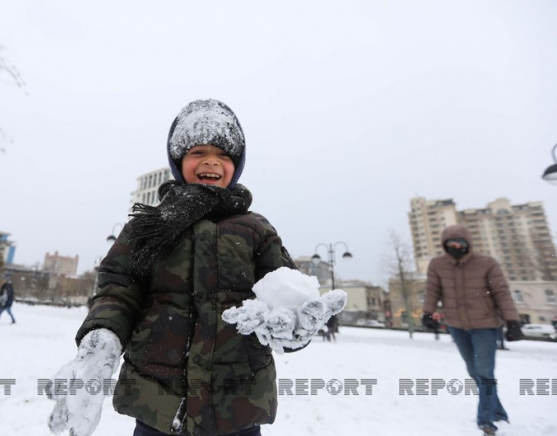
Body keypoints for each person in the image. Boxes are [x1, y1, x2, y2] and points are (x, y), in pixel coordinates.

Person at [48, 100, 344, 436]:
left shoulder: (256, 230)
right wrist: (102, 337)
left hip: (239, 403)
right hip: (156, 400)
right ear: (178, 162)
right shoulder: (148, 227)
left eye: (224, 154)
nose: (211, 161)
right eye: (198, 152)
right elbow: (119, 288)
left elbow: (284, 292)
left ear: (236, 165)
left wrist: (293, 324)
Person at [422, 224, 523, 436]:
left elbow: (501, 293)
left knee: (485, 371)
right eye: (451, 244)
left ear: (468, 244)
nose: (456, 246)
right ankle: (498, 411)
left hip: (485, 325)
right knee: (473, 371)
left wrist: (512, 321)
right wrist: (427, 313)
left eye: (460, 243)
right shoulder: (438, 264)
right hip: (457, 325)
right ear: (445, 245)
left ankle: (486, 420)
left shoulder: (486, 263)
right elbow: (432, 291)